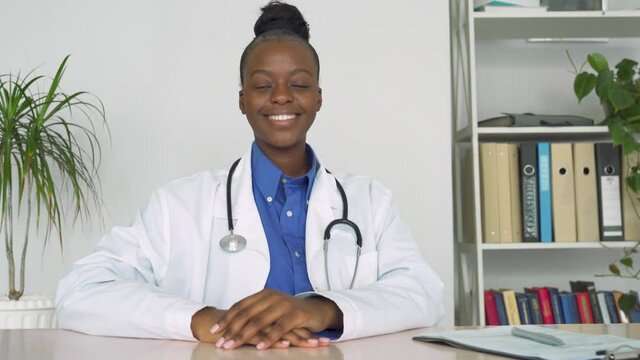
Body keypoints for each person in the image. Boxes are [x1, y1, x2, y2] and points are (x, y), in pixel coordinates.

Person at [56, 1, 444, 350]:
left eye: (299, 84)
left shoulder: (370, 201)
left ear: (319, 98)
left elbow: (424, 293)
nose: (281, 96)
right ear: (242, 99)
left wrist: (322, 310)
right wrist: (204, 319)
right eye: (262, 85)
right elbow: (81, 291)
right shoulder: (178, 204)